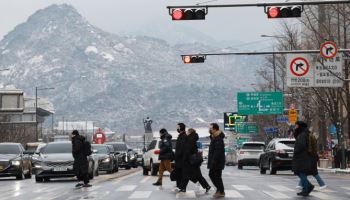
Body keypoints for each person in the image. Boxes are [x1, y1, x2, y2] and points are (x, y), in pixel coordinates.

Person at [178, 128, 211, 193]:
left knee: (188, 175)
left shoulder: (190, 139)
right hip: (192, 160)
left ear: (190, 132)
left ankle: (183, 188)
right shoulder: (192, 138)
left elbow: (188, 150)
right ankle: (206, 186)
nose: (186, 132)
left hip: (190, 160)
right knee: (194, 175)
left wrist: (184, 158)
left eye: (187, 131)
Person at [292, 121, 315, 196]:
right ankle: (308, 186)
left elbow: (301, 145)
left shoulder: (302, 135)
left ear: (300, 126)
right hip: (303, 156)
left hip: (302, 157)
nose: (295, 127)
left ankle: (306, 188)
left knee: (301, 172)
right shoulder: (303, 133)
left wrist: (296, 151)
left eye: (296, 126)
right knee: (300, 172)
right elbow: (296, 137)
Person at [208, 123, 225, 198]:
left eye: (211, 128)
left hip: (217, 161)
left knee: (216, 176)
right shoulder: (214, 137)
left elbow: (218, 151)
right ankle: (220, 190)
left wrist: (214, 161)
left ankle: (220, 191)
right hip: (215, 161)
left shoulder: (218, 138)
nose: (209, 130)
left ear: (215, 129)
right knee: (213, 175)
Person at [174, 123, 187, 190]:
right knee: (178, 173)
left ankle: (182, 187)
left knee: (181, 173)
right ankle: (179, 186)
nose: (177, 128)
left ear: (181, 127)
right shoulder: (180, 135)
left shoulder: (184, 136)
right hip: (178, 158)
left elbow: (182, 148)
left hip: (181, 159)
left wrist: (177, 155)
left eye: (178, 127)